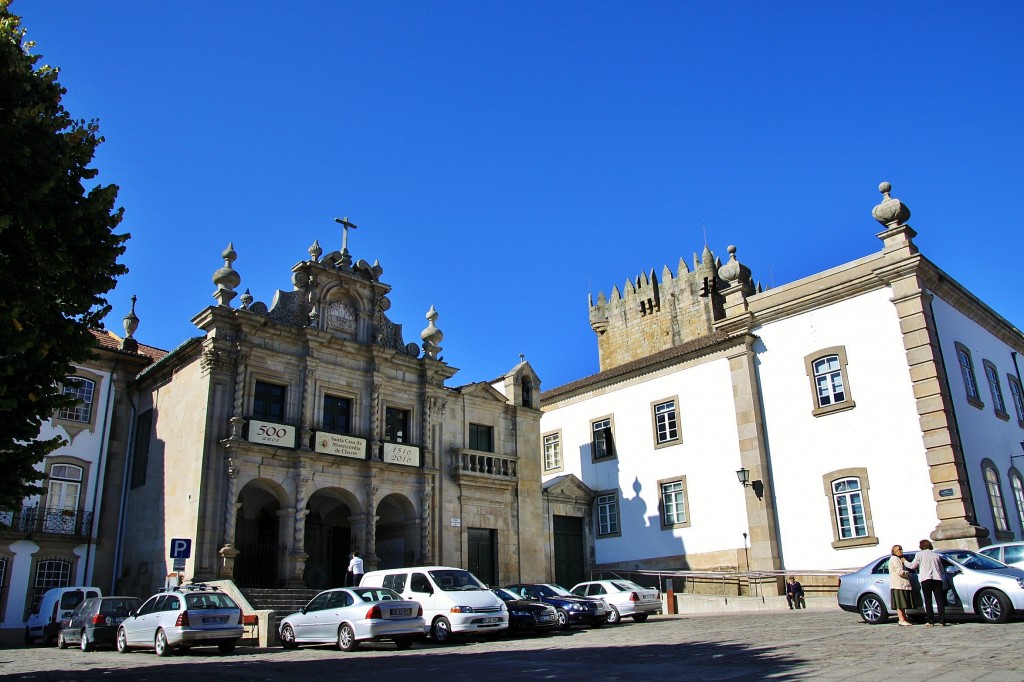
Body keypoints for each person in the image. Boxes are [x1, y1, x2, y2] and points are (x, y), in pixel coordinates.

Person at [905, 539, 947, 626]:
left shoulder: (919, 554)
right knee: (940, 600)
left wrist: (904, 561)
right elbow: (941, 569)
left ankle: (930, 621)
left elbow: (912, 566)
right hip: (937, 579)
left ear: (921, 546)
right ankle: (942, 621)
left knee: (928, 601)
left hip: (926, 579)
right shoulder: (936, 555)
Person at [888, 544, 916, 626]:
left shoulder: (897, 558)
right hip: (899, 585)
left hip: (901, 584)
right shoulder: (895, 559)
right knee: (900, 604)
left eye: (901, 549)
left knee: (903, 604)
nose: (901, 551)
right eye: (899, 549)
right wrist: (908, 573)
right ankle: (902, 619)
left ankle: (904, 619)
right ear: (895, 551)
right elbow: (900, 572)